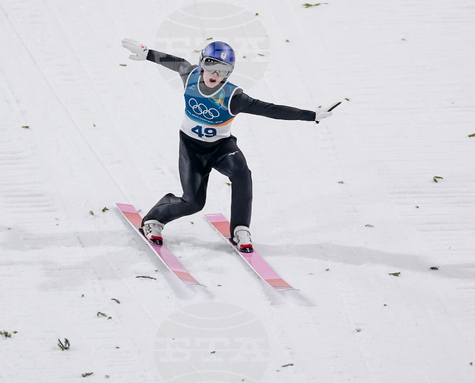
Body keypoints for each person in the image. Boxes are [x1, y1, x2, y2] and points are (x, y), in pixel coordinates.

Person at [120, 38, 341, 253]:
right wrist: (147, 53)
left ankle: (240, 229)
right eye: (210, 65)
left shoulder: (233, 97)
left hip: (221, 148)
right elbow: (176, 62)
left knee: (242, 173)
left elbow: (271, 110)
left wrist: (312, 115)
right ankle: (154, 218)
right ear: (201, 63)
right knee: (194, 202)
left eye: (223, 70)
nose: (215, 74)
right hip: (191, 148)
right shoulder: (190, 76)